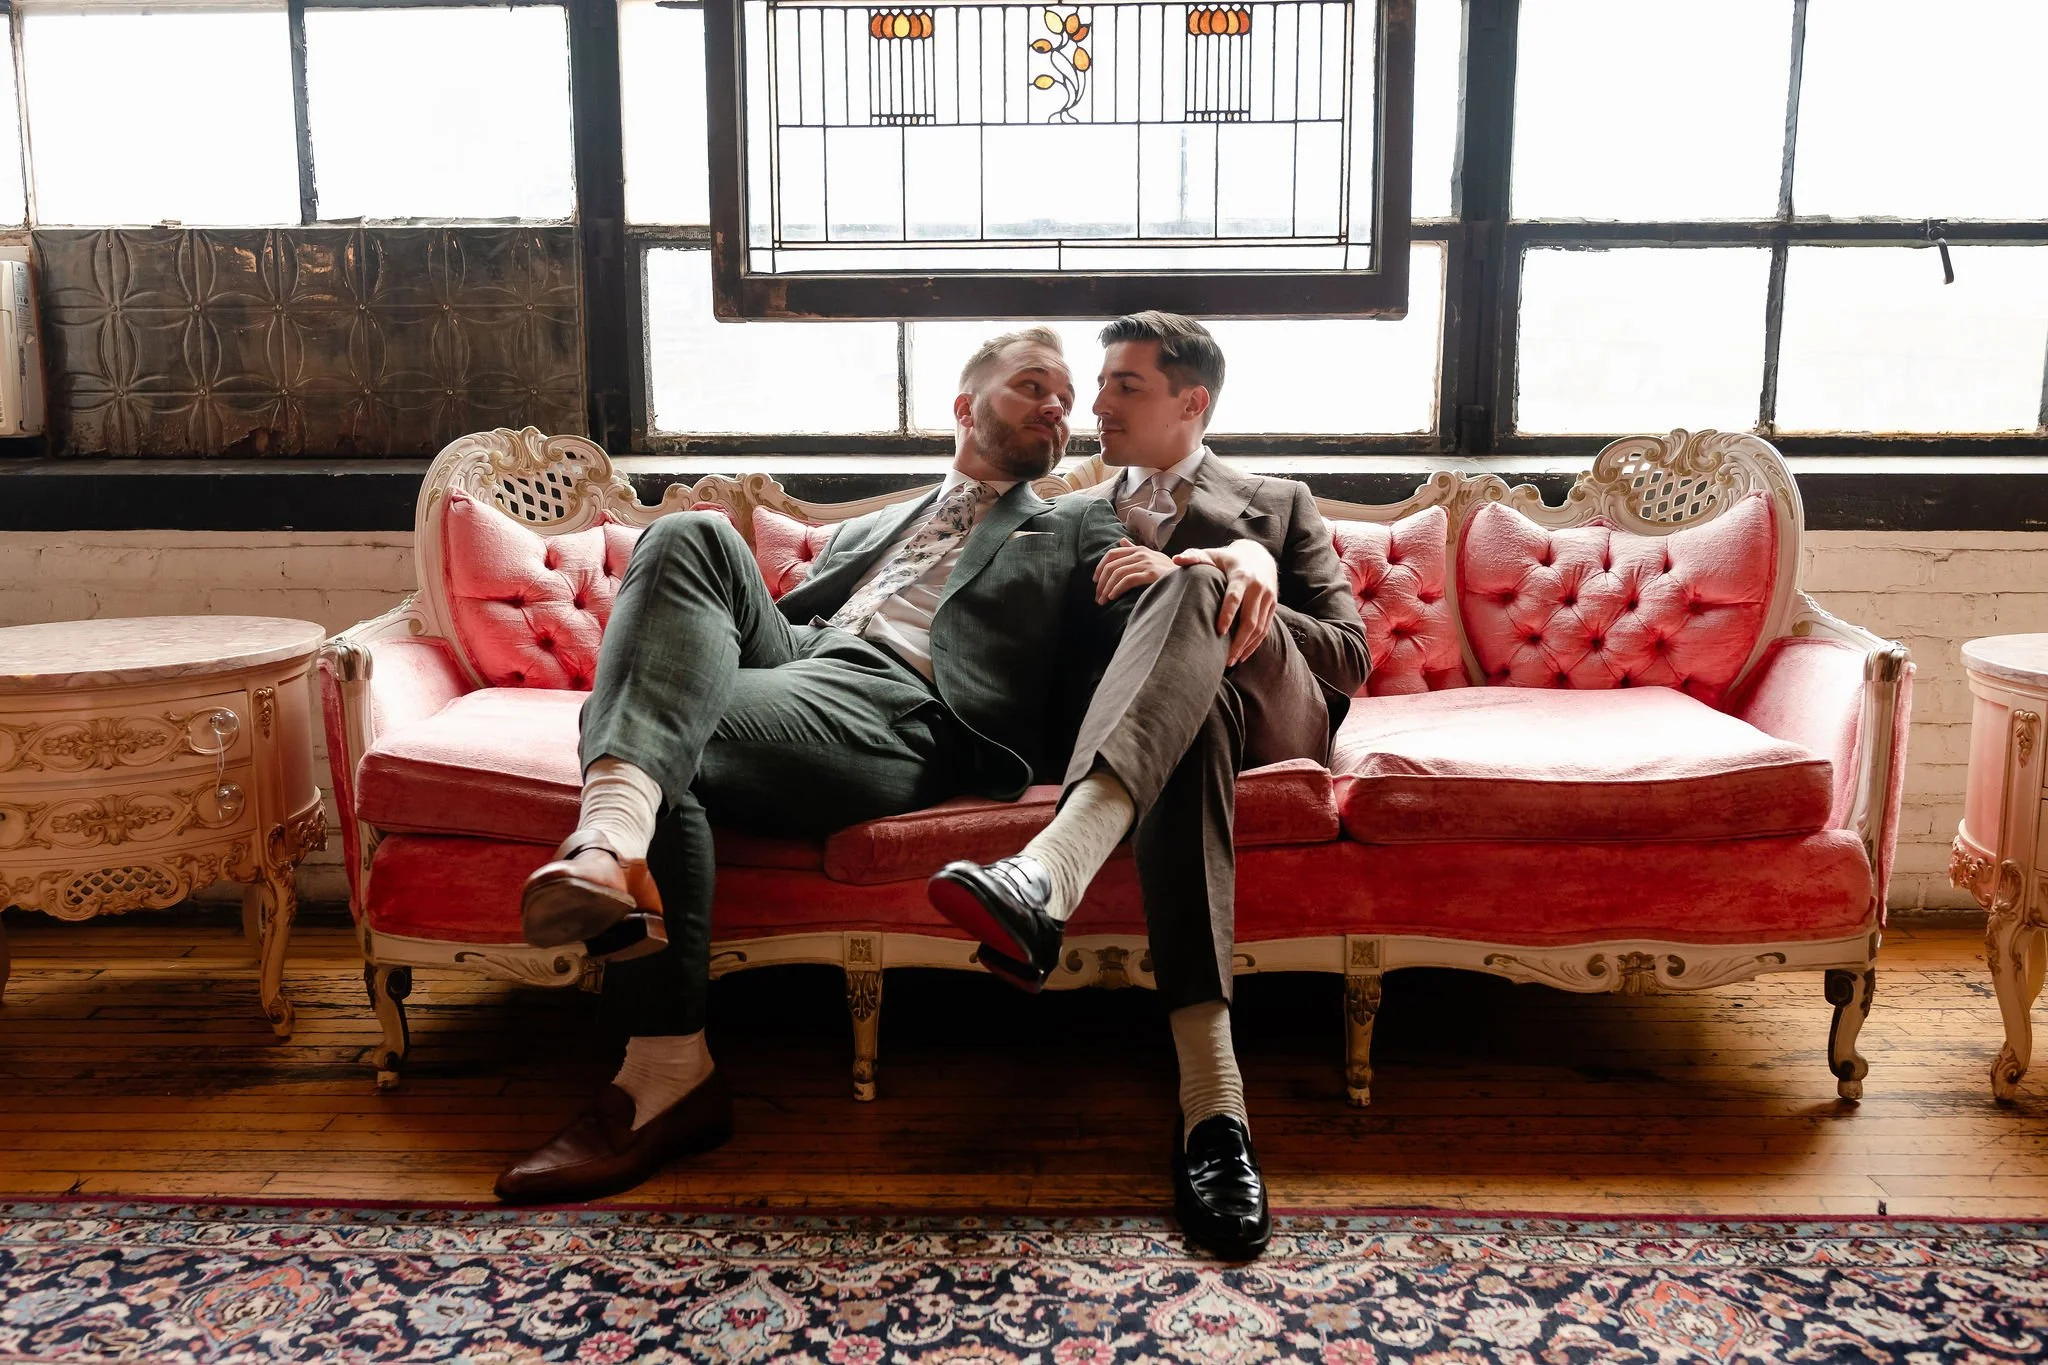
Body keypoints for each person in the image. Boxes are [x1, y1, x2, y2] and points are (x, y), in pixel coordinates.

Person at [497, 327, 1132, 1203]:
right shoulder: (875, 523)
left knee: (654, 737)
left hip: (903, 707)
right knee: (690, 535)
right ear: (964, 406)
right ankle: (617, 840)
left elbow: (1132, 628)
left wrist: (1227, 562)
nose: (1059, 407)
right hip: (803, 653)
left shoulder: (1077, 519)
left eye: (1068, 399)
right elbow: (776, 619)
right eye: (1033, 385)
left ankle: (658, 1059)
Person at [927, 312, 1370, 1260]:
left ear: (1191, 400)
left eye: (1123, 384)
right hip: (1143, 738)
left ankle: (1047, 868)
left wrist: (1221, 570)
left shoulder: (1279, 503)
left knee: (1197, 590)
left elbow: (1349, 660)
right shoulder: (1060, 509)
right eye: (1099, 383)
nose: (1093, 402)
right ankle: (1216, 1111)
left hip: (1275, 722)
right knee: (1187, 718)